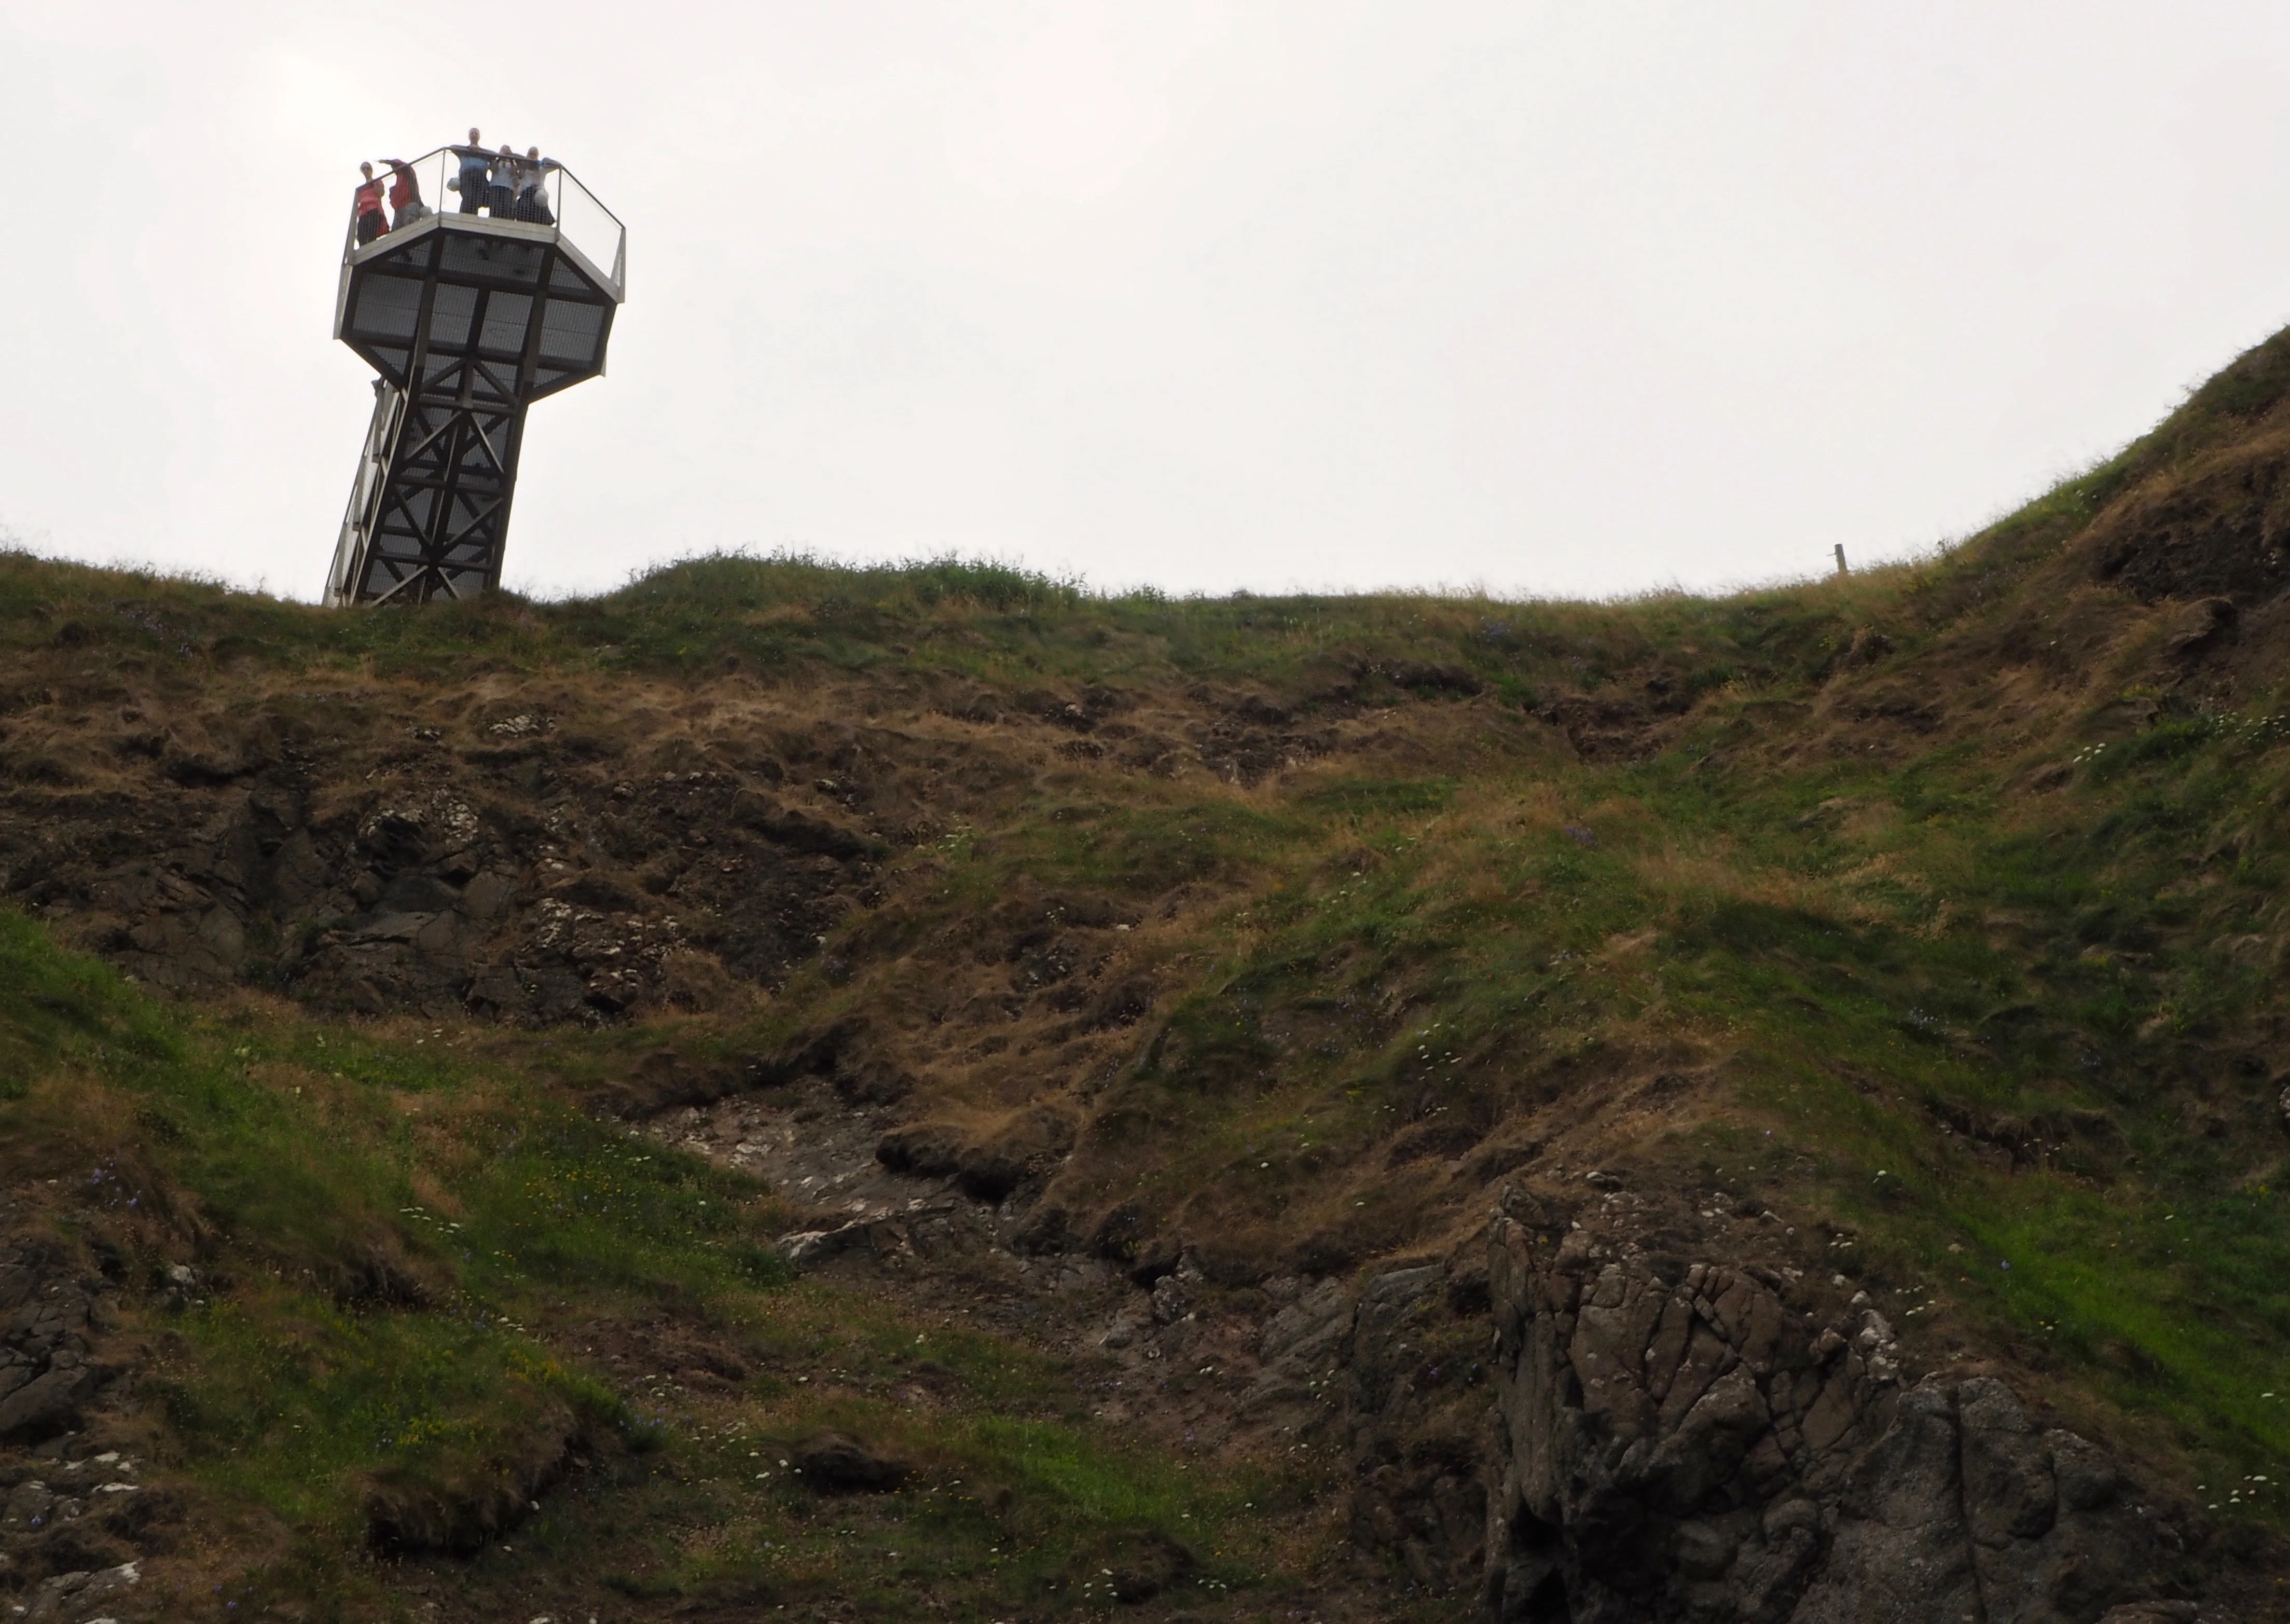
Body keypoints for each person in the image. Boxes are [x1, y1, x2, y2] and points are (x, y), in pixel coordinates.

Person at [512, 146, 558, 224]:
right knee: (523, 214)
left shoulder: (542, 168)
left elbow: (558, 165)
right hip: (526, 195)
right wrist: (526, 160)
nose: (533, 157)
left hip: (538, 195)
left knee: (542, 215)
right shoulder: (524, 168)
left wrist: (545, 161)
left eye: (535, 155)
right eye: (531, 155)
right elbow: (514, 156)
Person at [449, 128, 490, 214]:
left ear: (479, 137)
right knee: (467, 197)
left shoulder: (485, 154)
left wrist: (479, 151)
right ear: (469, 136)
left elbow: (495, 155)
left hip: (480, 178)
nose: (474, 135)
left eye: (476, 133)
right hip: (467, 177)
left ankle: (472, 218)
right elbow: (452, 147)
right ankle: (463, 217)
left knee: (476, 199)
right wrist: (469, 149)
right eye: (472, 133)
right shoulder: (464, 151)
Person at [382, 158, 430, 229]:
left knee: (410, 229)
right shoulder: (400, 177)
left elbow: (400, 165)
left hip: (409, 205)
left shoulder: (407, 171)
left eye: (393, 168)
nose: (393, 170)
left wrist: (387, 162)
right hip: (399, 210)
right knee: (396, 233)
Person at [352, 161, 388, 246]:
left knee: (372, 233)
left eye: (367, 168)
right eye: (363, 169)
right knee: (361, 236)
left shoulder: (377, 182)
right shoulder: (361, 189)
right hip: (363, 213)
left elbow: (381, 193)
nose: (366, 171)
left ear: (371, 170)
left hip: (373, 209)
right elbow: (358, 201)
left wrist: (373, 184)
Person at [486, 144, 519, 216]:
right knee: (495, 209)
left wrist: (511, 160)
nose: (506, 152)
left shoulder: (512, 165)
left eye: (508, 151)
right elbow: (493, 169)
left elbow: (514, 175)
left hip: (508, 188)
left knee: (506, 210)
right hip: (495, 187)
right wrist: (500, 158)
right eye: (503, 150)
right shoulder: (496, 162)